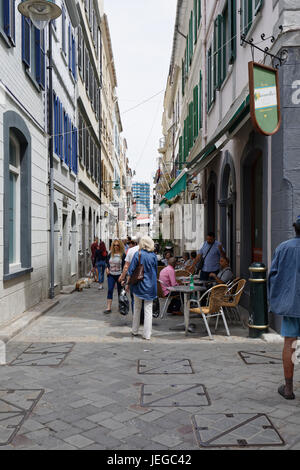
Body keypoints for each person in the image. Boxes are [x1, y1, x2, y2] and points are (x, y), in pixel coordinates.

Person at [268, 216, 300, 400]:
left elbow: (273, 276)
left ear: (295, 228)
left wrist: (277, 300)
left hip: (291, 304)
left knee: (290, 342)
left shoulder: (283, 248)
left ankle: (288, 388)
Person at [126, 236, 158, 340]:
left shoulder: (138, 254)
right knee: (148, 309)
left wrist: (127, 282)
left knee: (137, 307)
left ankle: (135, 330)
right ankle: (147, 334)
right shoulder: (153, 256)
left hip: (138, 285)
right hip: (151, 285)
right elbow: (156, 270)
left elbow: (131, 270)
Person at [104, 240, 126, 314]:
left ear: (120, 246)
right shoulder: (110, 254)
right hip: (111, 275)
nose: (116, 246)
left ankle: (121, 306)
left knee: (120, 291)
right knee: (110, 290)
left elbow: (124, 266)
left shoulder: (123, 255)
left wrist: (123, 276)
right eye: (114, 245)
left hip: (119, 275)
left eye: (117, 245)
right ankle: (108, 307)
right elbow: (107, 262)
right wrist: (107, 268)